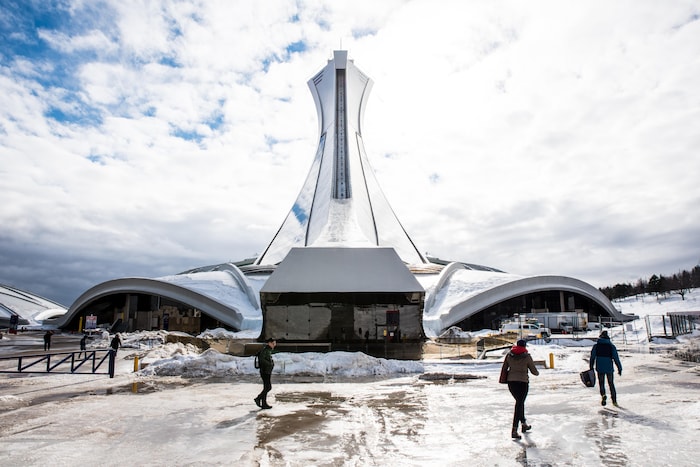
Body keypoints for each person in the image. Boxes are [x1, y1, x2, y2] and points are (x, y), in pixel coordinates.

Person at [501, 339, 540, 439]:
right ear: (525, 346)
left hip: (511, 383)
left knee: (519, 403)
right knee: (519, 404)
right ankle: (514, 429)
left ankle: (524, 424)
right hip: (523, 383)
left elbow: (504, 368)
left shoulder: (509, 355)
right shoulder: (527, 357)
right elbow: (534, 372)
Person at [590, 330, 622, 407]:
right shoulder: (611, 346)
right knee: (611, 384)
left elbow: (592, 357)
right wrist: (619, 368)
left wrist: (591, 367)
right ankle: (614, 401)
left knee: (601, 383)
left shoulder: (596, 346)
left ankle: (603, 395)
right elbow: (616, 358)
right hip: (609, 368)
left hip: (600, 367)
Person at [254, 337, 277, 410]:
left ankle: (264, 403)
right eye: (273, 343)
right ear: (269, 343)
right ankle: (258, 398)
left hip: (266, 371)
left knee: (266, 387)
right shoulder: (266, 350)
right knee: (268, 387)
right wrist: (269, 364)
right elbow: (262, 359)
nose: (274, 345)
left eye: (275, 343)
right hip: (265, 371)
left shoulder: (268, 350)